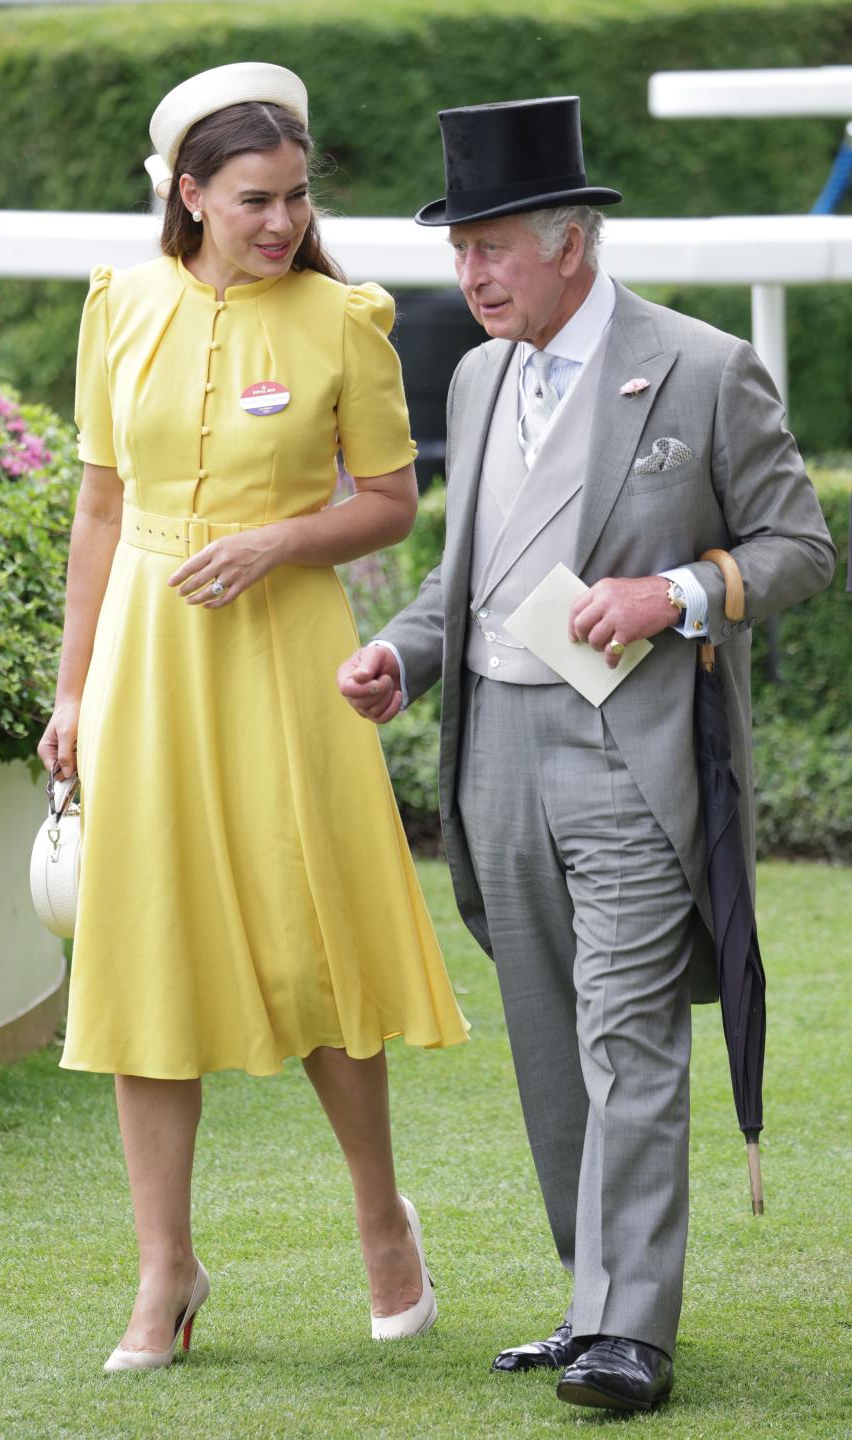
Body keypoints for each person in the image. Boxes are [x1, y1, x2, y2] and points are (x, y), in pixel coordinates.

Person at [339, 96, 835, 1413]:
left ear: (573, 241)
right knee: (551, 1037)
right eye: (460, 251)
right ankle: (588, 1300)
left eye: (493, 246)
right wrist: (401, 654)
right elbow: (466, 575)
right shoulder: (474, 373)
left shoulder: (705, 366)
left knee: (629, 1030)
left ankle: (632, 1328)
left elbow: (801, 551)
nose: (471, 275)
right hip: (493, 745)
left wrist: (673, 592)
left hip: (632, 750)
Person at [38, 62, 468, 1373]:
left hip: (292, 658)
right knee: (143, 956)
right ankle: (165, 1271)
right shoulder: (119, 305)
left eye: (294, 197)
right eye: (253, 199)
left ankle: (381, 1222)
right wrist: (70, 691)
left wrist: (280, 543)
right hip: (146, 666)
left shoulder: (347, 318)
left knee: (315, 941)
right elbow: (103, 511)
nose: (281, 221)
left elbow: (392, 501)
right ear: (190, 194)